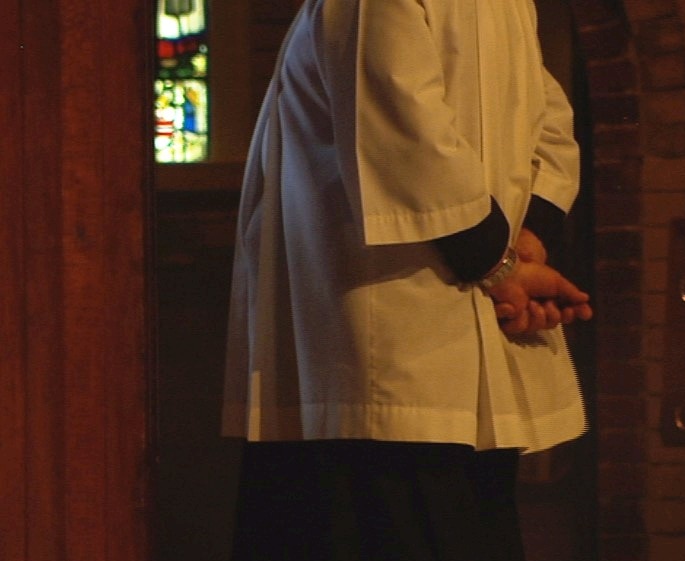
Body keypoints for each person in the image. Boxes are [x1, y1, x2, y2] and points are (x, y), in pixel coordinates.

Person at [223, 1, 593, 559]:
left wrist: (520, 250)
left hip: (444, 327)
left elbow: (543, 119)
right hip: (378, 343)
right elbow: (404, 131)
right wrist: (506, 266)